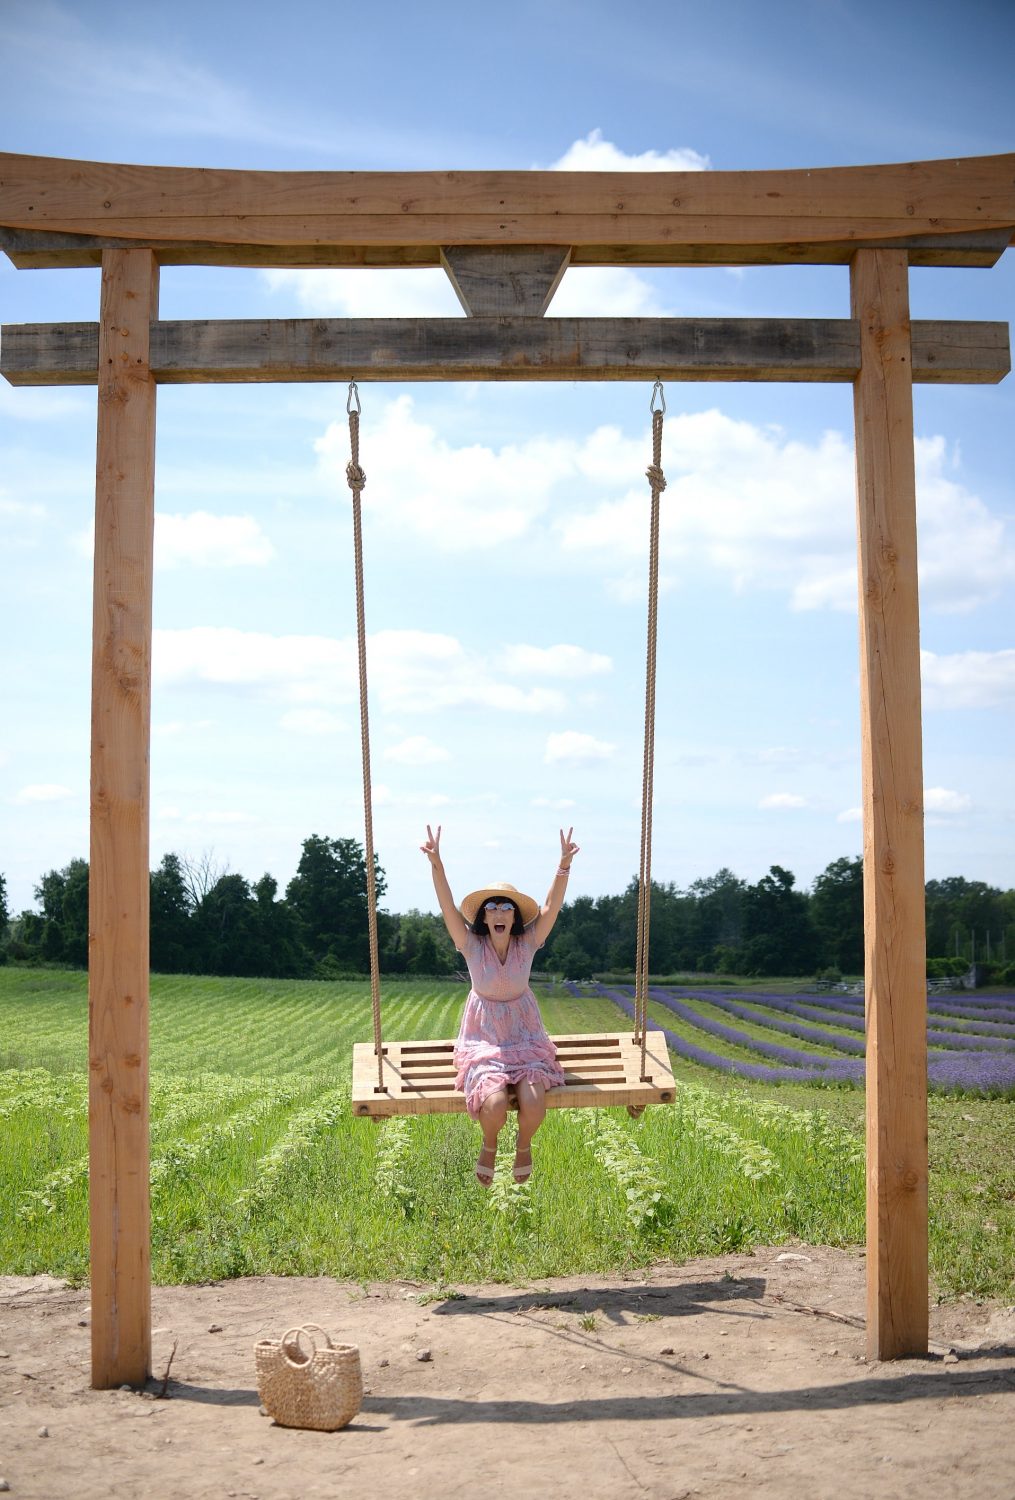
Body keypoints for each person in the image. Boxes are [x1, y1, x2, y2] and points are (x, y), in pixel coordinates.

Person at [420, 824, 579, 1186]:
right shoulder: (471, 945)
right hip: (485, 1037)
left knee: (534, 1102)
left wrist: (564, 865)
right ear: (484, 918)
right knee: (492, 1107)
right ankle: (489, 1145)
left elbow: (551, 906)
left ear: (514, 917)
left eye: (506, 906)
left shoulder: (529, 943)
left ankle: (524, 1146)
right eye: (492, 907)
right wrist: (437, 863)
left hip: (524, 1035)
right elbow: (447, 905)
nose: (499, 912)